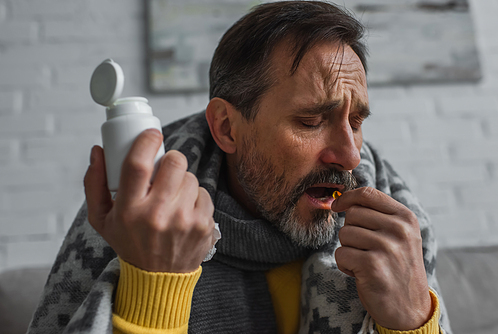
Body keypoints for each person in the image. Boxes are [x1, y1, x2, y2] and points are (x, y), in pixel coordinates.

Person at [28, 1, 452, 334]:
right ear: (227, 127)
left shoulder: (395, 228)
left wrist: (412, 322)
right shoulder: (142, 228)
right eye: (310, 121)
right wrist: (153, 284)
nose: (350, 156)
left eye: (355, 122)